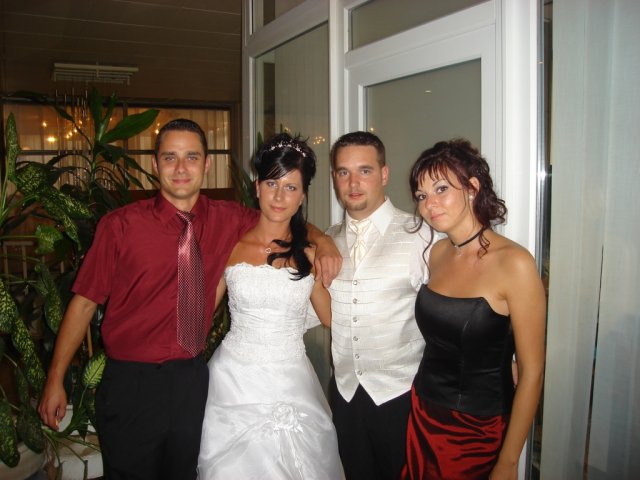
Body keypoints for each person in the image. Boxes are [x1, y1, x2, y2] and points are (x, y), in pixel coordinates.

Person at [37, 119, 341, 480]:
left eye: (192, 157)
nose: (181, 168)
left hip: (191, 381)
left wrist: (325, 242)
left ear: (206, 164)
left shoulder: (228, 219)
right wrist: (55, 378)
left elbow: (285, 217)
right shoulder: (120, 225)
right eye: (170, 157)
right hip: (133, 382)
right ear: (155, 164)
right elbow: (84, 303)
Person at [197, 133, 344, 479]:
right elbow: (200, 314)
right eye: (272, 184)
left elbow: (331, 318)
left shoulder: (310, 253)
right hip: (232, 381)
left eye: (291, 187)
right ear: (257, 186)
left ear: (303, 195)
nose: (280, 196)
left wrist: (324, 255)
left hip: (291, 379)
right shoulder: (230, 245)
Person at [401, 139, 546, 480]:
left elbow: (532, 372)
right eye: (421, 195)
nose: (429, 204)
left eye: (441, 189)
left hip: (477, 429)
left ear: (472, 188)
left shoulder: (515, 263)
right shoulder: (437, 253)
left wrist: (508, 462)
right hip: (423, 410)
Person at [322, 131, 434, 480]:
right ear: (334, 178)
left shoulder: (422, 236)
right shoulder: (328, 239)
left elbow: (458, 308)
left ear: (384, 174)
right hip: (345, 396)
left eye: (365, 171)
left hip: (401, 397)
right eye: (344, 172)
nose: (353, 183)